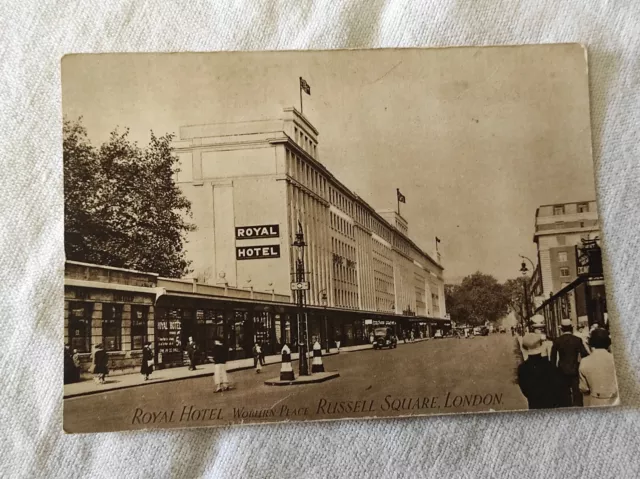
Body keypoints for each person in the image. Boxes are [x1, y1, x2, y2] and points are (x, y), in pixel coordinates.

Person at [517, 333, 563, 409]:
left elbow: (525, 390)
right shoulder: (549, 366)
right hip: (550, 404)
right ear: (541, 346)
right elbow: (557, 386)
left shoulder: (522, 368)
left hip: (533, 404)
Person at [551, 319, 590, 407]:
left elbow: (553, 358)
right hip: (575, 369)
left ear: (561, 329)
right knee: (577, 394)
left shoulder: (557, 340)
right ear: (571, 328)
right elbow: (584, 354)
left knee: (564, 394)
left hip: (561, 370)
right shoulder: (577, 340)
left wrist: (554, 372)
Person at [579, 329, 619, 407]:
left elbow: (584, 388)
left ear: (591, 344)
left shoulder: (585, 361)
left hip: (595, 401)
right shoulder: (617, 360)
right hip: (616, 400)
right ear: (608, 343)